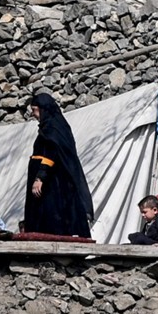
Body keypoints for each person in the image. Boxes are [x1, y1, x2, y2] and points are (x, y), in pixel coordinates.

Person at [24, 93, 94, 237]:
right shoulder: (48, 127)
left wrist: (40, 177)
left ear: (44, 109)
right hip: (49, 181)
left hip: (53, 183)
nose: (34, 114)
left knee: (53, 215)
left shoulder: (53, 127)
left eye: (35, 110)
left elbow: (51, 152)